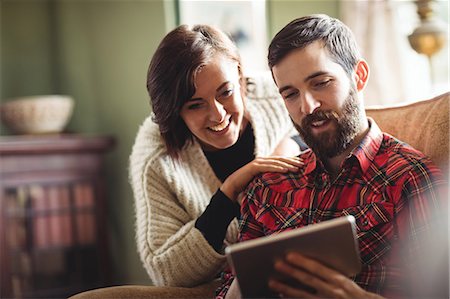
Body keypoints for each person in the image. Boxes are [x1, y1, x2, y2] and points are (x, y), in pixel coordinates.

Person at [217, 14, 448, 299]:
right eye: (290, 94)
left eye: (321, 83)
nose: (308, 106)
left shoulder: (412, 179)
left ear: (359, 76)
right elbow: (226, 288)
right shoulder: (268, 187)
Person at [129, 24, 304, 287]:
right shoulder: (157, 156)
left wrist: (290, 144)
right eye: (195, 104)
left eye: (226, 92)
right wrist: (229, 192)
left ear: (240, 78)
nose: (218, 114)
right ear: (174, 111)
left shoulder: (278, 95)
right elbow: (165, 271)